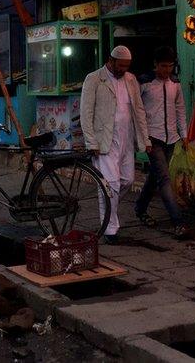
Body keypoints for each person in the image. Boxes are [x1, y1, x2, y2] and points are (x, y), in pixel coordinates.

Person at [80, 46, 150, 244]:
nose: (123, 69)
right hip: (104, 141)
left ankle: (109, 212)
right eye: (120, 65)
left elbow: (139, 110)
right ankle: (110, 229)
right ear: (110, 61)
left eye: (126, 66)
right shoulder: (93, 79)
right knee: (110, 184)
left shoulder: (131, 79)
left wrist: (145, 140)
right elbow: (86, 113)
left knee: (126, 180)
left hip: (127, 139)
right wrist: (90, 141)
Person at [136, 47, 190, 239]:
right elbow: (138, 112)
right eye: (163, 66)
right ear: (155, 65)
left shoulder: (175, 84)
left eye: (170, 66)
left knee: (155, 177)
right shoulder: (144, 83)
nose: (167, 70)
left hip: (172, 138)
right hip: (153, 138)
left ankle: (140, 209)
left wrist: (183, 134)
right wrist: (143, 138)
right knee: (165, 179)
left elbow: (180, 109)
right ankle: (178, 222)